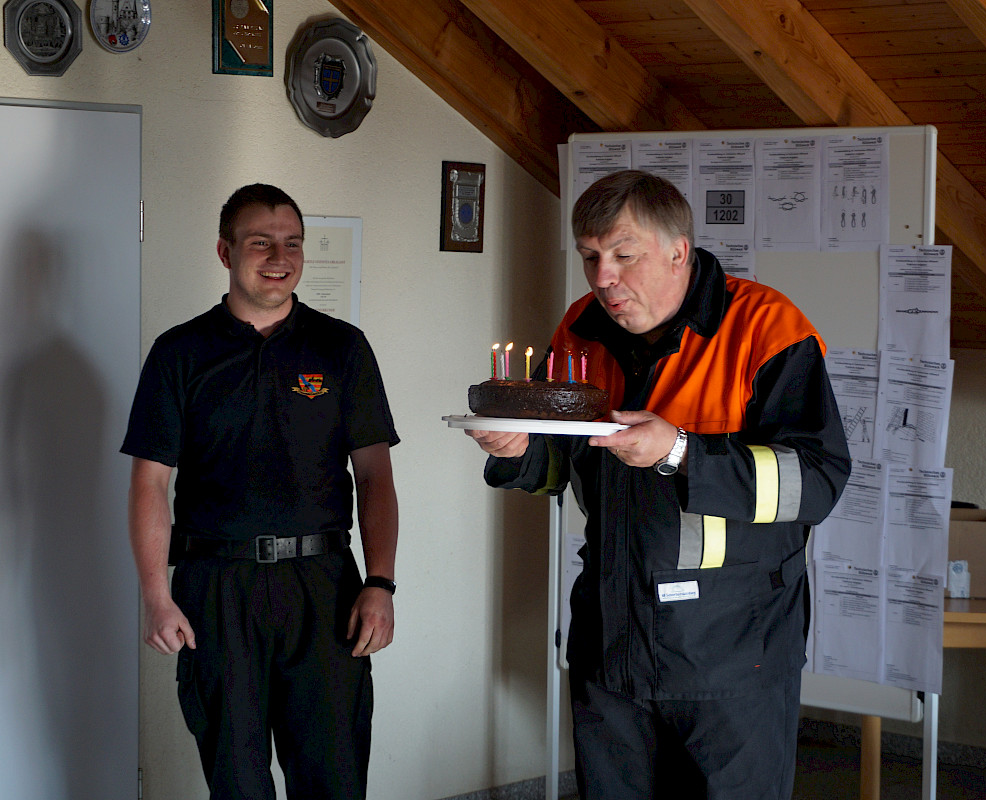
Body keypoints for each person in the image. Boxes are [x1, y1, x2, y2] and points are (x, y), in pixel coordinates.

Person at [467, 170, 851, 799]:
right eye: (590, 257)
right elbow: (558, 468)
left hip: (732, 656)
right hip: (612, 642)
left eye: (623, 255)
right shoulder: (580, 331)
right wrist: (516, 452)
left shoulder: (767, 329)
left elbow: (816, 483)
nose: (602, 278)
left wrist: (677, 451)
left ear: (679, 251)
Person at [121, 184, 399, 800]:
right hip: (216, 590)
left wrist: (380, 583)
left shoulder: (342, 347)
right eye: (260, 242)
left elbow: (375, 475)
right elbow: (150, 483)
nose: (279, 256)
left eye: (292, 243)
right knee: (237, 781)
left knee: (333, 778)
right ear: (225, 252)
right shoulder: (179, 353)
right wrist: (155, 596)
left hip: (324, 590)